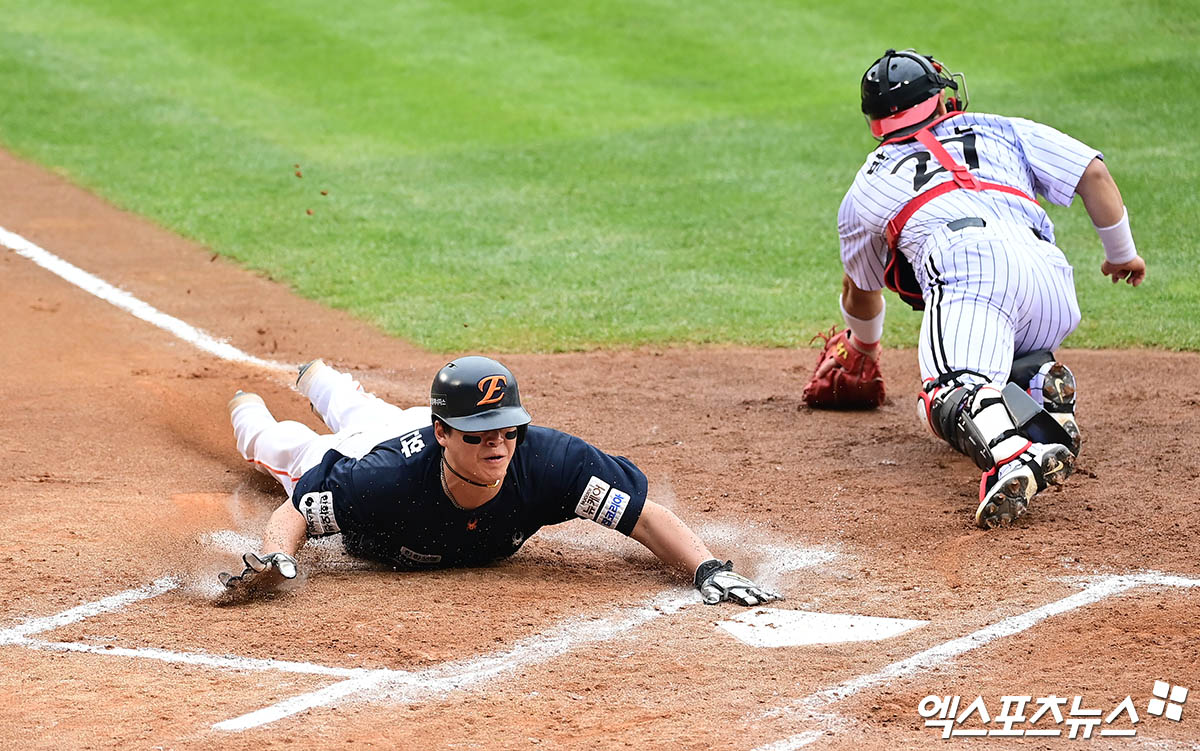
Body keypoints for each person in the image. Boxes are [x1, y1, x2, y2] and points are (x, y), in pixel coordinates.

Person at [807, 48, 1146, 528]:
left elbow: (861, 286)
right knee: (996, 349)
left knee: (950, 390)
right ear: (942, 99)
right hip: (1049, 277)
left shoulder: (867, 185)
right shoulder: (1000, 128)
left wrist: (862, 347)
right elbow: (1092, 172)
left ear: (876, 124)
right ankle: (1036, 388)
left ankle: (1010, 456)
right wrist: (1121, 253)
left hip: (969, 268)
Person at [221, 355, 780, 605]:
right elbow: (296, 511)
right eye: (479, 434)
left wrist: (709, 569)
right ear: (445, 432)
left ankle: (318, 378)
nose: (497, 445)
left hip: (414, 433)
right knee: (288, 448)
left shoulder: (549, 463)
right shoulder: (380, 481)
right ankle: (244, 405)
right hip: (376, 450)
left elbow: (644, 516)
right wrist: (277, 557)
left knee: (366, 408)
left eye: (507, 430)